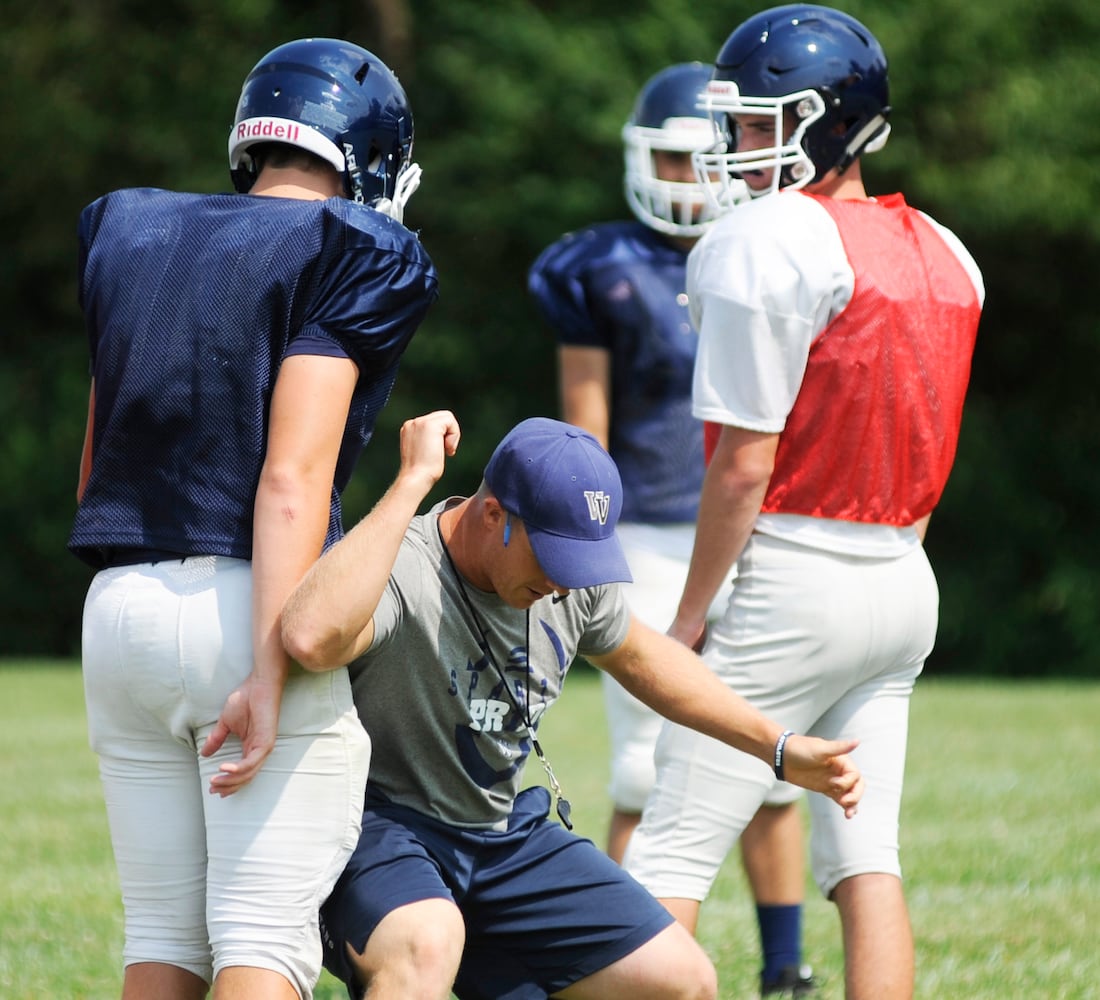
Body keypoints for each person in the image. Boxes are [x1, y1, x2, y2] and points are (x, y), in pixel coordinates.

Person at [620, 7, 985, 1000]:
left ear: (824, 121)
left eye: (752, 124)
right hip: (903, 574)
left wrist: (689, 614)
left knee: (666, 857)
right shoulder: (945, 248)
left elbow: (743, 462)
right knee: (866, 859)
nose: (735, 148)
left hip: (789, 571)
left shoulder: (769, 235)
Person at [69, 38, 437, 1000]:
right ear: (369, 159)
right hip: (249, 603)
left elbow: (97, 447)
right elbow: (292, 478)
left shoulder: (131, 227)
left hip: (119, 607)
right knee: (263, 937)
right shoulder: (356, 245)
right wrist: (269, 667)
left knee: (161, 936)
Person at [280, 410, 864, 1000]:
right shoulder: (406, 566)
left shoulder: (572, 580)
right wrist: (411, 482)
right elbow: (309, 637)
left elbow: (644, 659)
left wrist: (780, 747)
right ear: (493, 515)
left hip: (498, 832)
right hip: (379, 826)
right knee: (426, 943)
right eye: (553, 559)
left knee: (682, 980)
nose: (564, 584)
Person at [528, 61, 815, 996]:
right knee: (649, 769)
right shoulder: (598, 267)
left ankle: (786, 966)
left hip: (751, 533)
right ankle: (622, 961)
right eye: (671, 160)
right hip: (645, 535)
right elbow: (586, 427)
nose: (688, 179)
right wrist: (583, 548)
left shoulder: (766, 249)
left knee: (768, 757)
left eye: (701, 160)